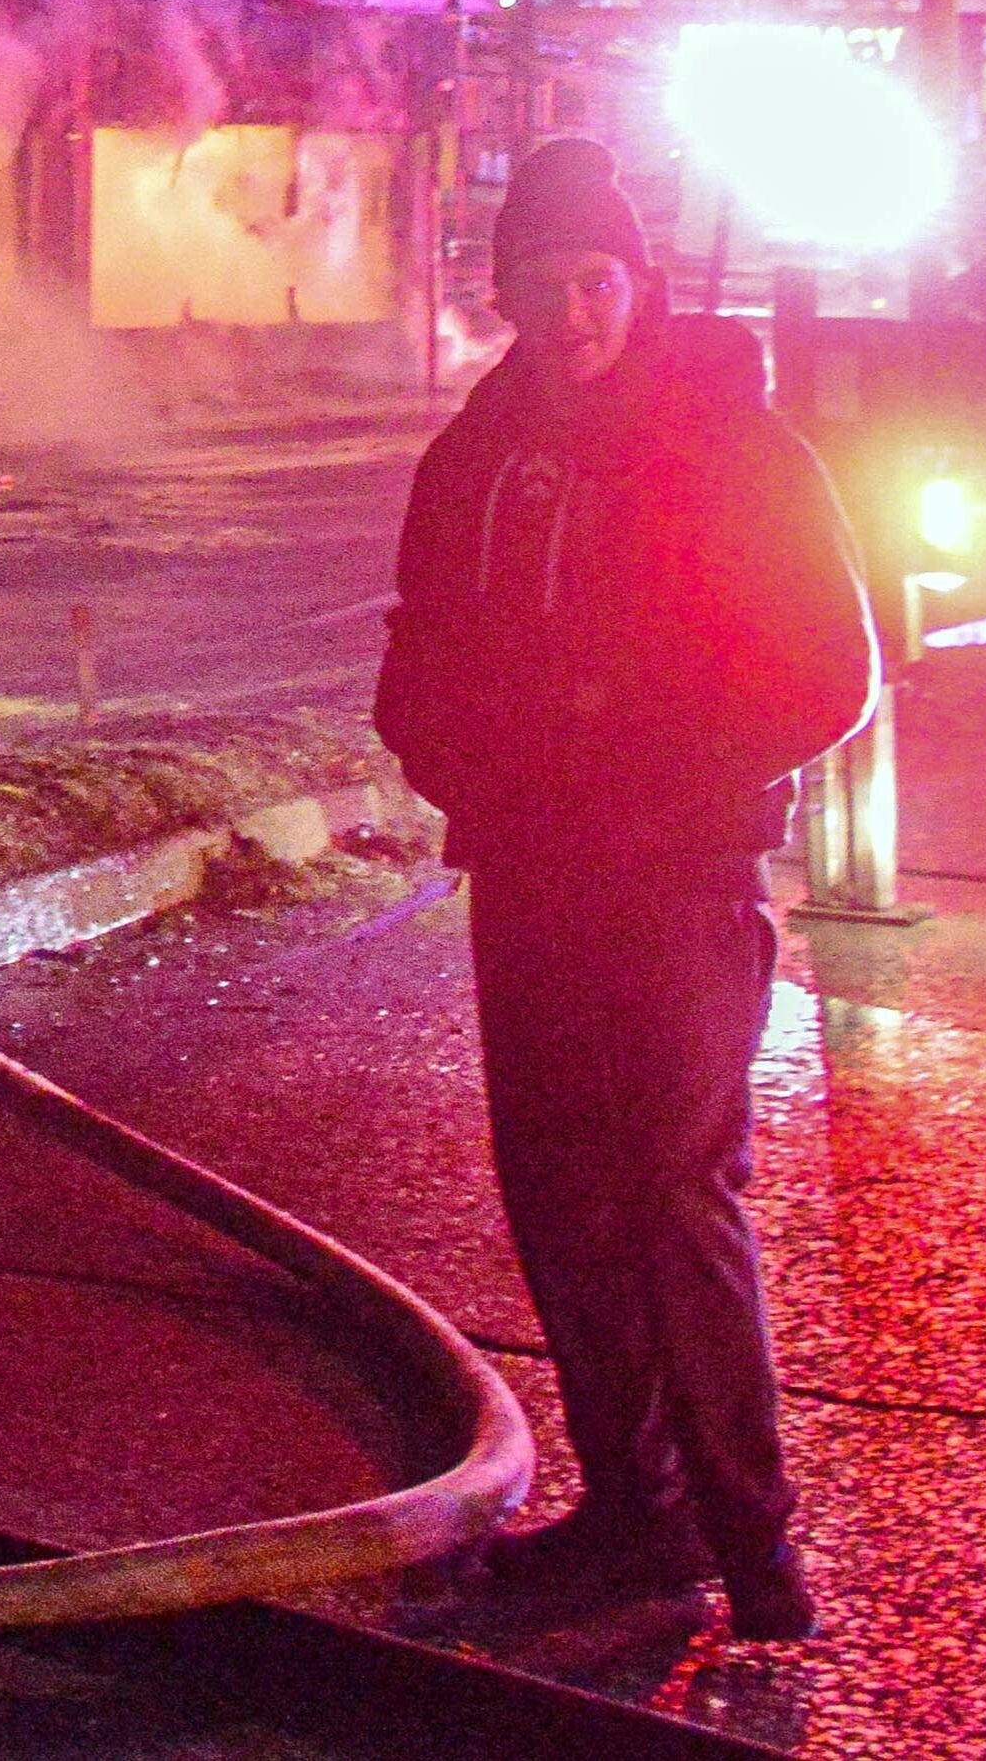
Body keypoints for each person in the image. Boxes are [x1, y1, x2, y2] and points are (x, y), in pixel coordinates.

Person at [372, 140, 875, 1642]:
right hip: (526, 875)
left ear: (637, 284)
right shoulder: (473, 455)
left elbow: (828, 675)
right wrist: (462, 757)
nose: (573, 310)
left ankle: (752, 1536)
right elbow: (418, 651)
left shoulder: (733, 448)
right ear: (506, 292)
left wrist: (642, 749)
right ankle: (636, 1519)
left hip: (674, 877)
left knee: (671, 1191)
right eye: (544, 283)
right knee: (561, 1199)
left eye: (597, 280)